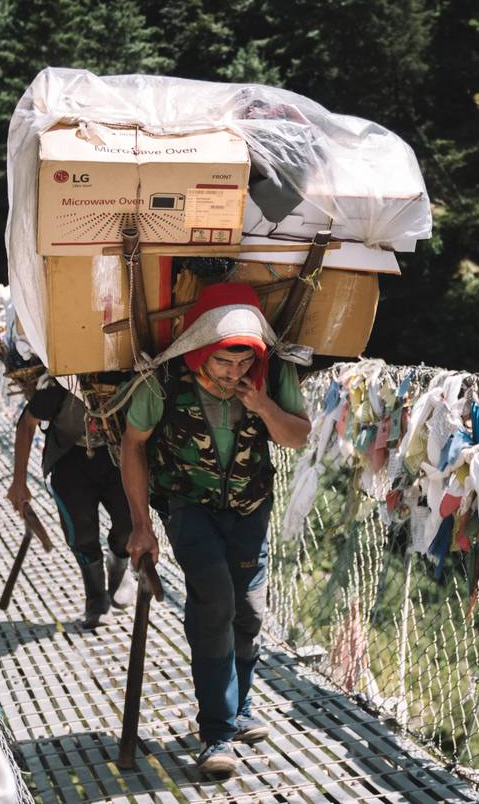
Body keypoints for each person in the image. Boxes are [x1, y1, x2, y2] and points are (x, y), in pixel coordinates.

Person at [119, 282, 311, 777]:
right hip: (189, 506)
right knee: (215, 602)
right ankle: (216, 734)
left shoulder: (271, 375)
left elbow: (297, 437)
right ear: (202, 351)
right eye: (225, 362)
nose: (235, 373)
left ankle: (241, 707)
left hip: (250, 506)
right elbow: (133, 446)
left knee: (248, 611)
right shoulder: (161, 383)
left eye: (245, 362)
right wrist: (141, 526)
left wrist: (263, 404)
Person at [7, 380, 136, 629]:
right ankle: (96, 599)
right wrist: (19, 481)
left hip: (118, 457)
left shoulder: (125, 376)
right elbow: (27, 423)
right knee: (80, 532)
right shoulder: (62, 384)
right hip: (71, 460)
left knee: (128, 524)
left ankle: (119, 565)